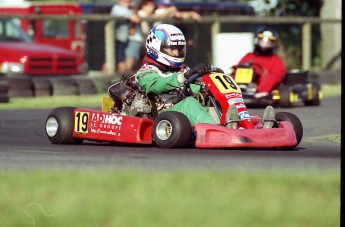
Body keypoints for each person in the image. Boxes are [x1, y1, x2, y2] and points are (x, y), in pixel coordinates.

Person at [131, 23, 275, 129]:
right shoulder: (146, 71)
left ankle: (248, 124)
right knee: (190, 103)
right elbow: (157, 85)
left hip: (181, 113)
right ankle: (222, 130)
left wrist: (207, 84)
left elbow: (193, 86)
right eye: (171, 49)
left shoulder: (180, 69)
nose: (176, 53)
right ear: (155, 47)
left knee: (213, 98)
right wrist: (185, 77)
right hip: (162, 114)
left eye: (179, 49)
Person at [235, 27, 286, 98]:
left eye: (268, 42)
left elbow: (277, 76)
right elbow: (237, 68)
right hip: (242, 82)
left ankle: (258, 93)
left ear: (273, 43)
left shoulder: (275, 59)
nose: (265, 44)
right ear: (257, 40)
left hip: (260, 86)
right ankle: (237, 91)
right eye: (262, 41)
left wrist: (262, 72)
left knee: (270, 77)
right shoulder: (249, 56)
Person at [110, 0, 141, 74]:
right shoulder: (118, 9)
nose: (128, 3)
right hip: (116, 42)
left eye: (129, 1)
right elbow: (136, 19)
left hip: (124, 41)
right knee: (117, 66)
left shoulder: (127, 9)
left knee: (124, 66)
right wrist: (133, 7)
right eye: (125, 1)